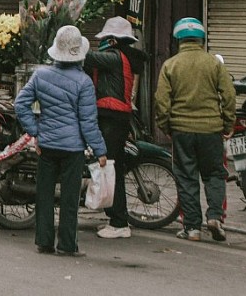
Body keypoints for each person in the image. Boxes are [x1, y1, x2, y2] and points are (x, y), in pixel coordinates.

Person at [15, 25, 107, 257]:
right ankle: (67, 245)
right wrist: (100, 150)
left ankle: (43, 242)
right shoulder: (84, 82)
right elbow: (88, 122)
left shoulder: (40, 75)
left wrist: (35, 132)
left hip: (46, 146)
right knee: (69, 199)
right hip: (73, 149)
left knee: (44, 195)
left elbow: (20, 104)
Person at [155, 17, 236, 243]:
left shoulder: (170, 65)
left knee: (187, 177)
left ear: (177, 40)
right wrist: (228, 124)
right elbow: (229, 96)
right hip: (211, 130)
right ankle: (215, 217)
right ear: (201, 39)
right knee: (215, 175)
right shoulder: (214, 64)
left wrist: (166, 126)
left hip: (182, 131)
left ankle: (192, 228)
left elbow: (162, 101)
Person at [83, 16, 148, 240]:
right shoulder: (122, 56)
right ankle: (115, 218)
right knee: (112, 168)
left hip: (111, 118)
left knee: (110, 168)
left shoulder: (114, 56)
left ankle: (119, 222)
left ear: (112, 40)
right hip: (114, 117)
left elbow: (88, 57)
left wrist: (71, 42)